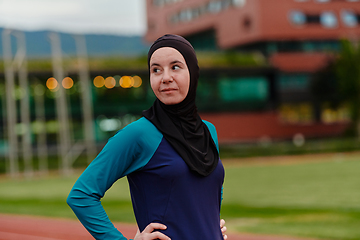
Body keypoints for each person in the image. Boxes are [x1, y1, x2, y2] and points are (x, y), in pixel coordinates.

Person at [67, 34, 226, 240]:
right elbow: (81, 195)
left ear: (193, 73)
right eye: (156, 70)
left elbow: (209, 187)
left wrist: (212, 223)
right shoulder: (138, 134)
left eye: (175, 67)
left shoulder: (208, 131)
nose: (165, 77)